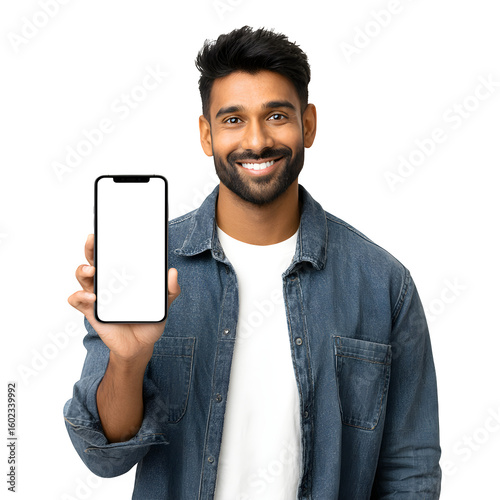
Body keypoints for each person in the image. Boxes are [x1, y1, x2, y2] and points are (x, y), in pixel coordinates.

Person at [64, 26, 441, 499]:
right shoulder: (148, 266)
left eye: (277, 115)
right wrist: (129, 358)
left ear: (309, 124)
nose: (257, 140)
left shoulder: (383, 283)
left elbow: (410, 469)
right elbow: (105, 456)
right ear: (207, 135)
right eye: (233, 120)